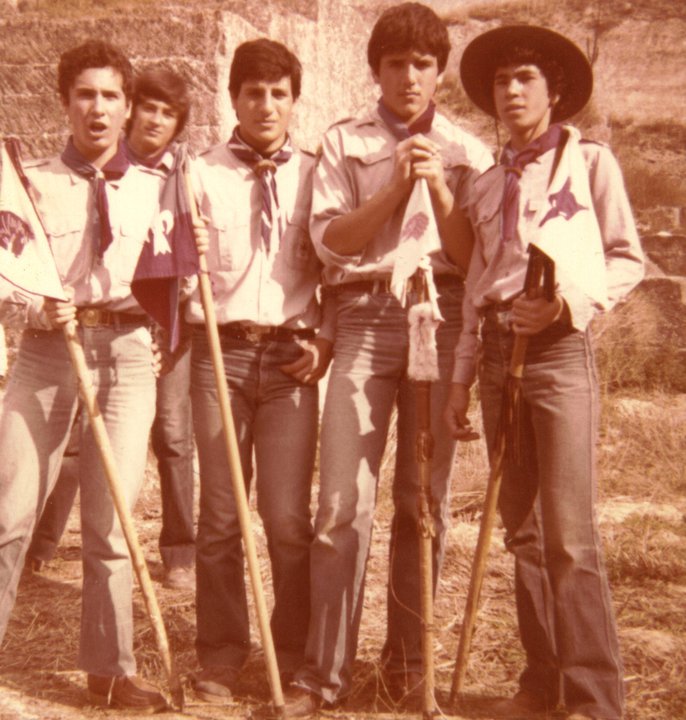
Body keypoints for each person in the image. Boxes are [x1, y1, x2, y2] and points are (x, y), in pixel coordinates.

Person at [283, 3, 492, 716]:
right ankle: (323, 673)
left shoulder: (466, 149)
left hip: (441, 314)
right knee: (342, 503)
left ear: (439, 72)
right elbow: (332, 242)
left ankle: (409, 668)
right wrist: (398, 187)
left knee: (422, 500)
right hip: (366, 315)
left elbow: (473, 257)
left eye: (422, 65)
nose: (409, 77)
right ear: (375, 70)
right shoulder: (344, 141)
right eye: (396, 63)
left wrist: (438, 187)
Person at [445, 25, 645, 720]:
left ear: (554, 90)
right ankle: (542, 683)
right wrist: (461, 378)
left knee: (569, 536)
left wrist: (565, 305)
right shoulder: (484, 183)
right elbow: (477, 286)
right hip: (498, 355)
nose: (511, 91)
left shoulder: (587, 163)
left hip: (558, 352)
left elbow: (626, 258)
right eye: (501, 81)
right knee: (523, 531)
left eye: (525, 78)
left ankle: (593, 698)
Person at [0, 40, 167, 712]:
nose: (98, 109)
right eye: (85, 95)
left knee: (113, 521)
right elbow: (7, 274)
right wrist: (34, 303)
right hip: (46, 353)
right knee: (10, 510)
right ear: (65, 102)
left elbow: (176, 283)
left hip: (125, 354)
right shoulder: (30, 184)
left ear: (128, 108)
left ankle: (110, 671)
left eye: (110, 96)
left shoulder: (158, 190)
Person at [187, 38, 332, 703]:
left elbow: (337, 271)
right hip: (220, 354)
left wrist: (326, 340)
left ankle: (293, 652)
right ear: (233, 98)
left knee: (287, 519)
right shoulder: (199, 174)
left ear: (294, 101)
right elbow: (174, 270)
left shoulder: (318, 174)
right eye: (253, 92)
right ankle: (220, 653)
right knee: (220, 516)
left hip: (291, 360)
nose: (266, 105)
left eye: (279, 94)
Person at [25, 67, 197, 592]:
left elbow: (183, 277)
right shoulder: (61, 173)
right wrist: (41, 305)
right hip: (69, 337)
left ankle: (177, 553)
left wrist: (168, 329)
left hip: (145, 336)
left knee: (165, 446)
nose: (155, 120)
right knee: (50, 465)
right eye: (149, 107)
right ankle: (39, 543)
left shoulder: (172, 183)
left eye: (168, 113)